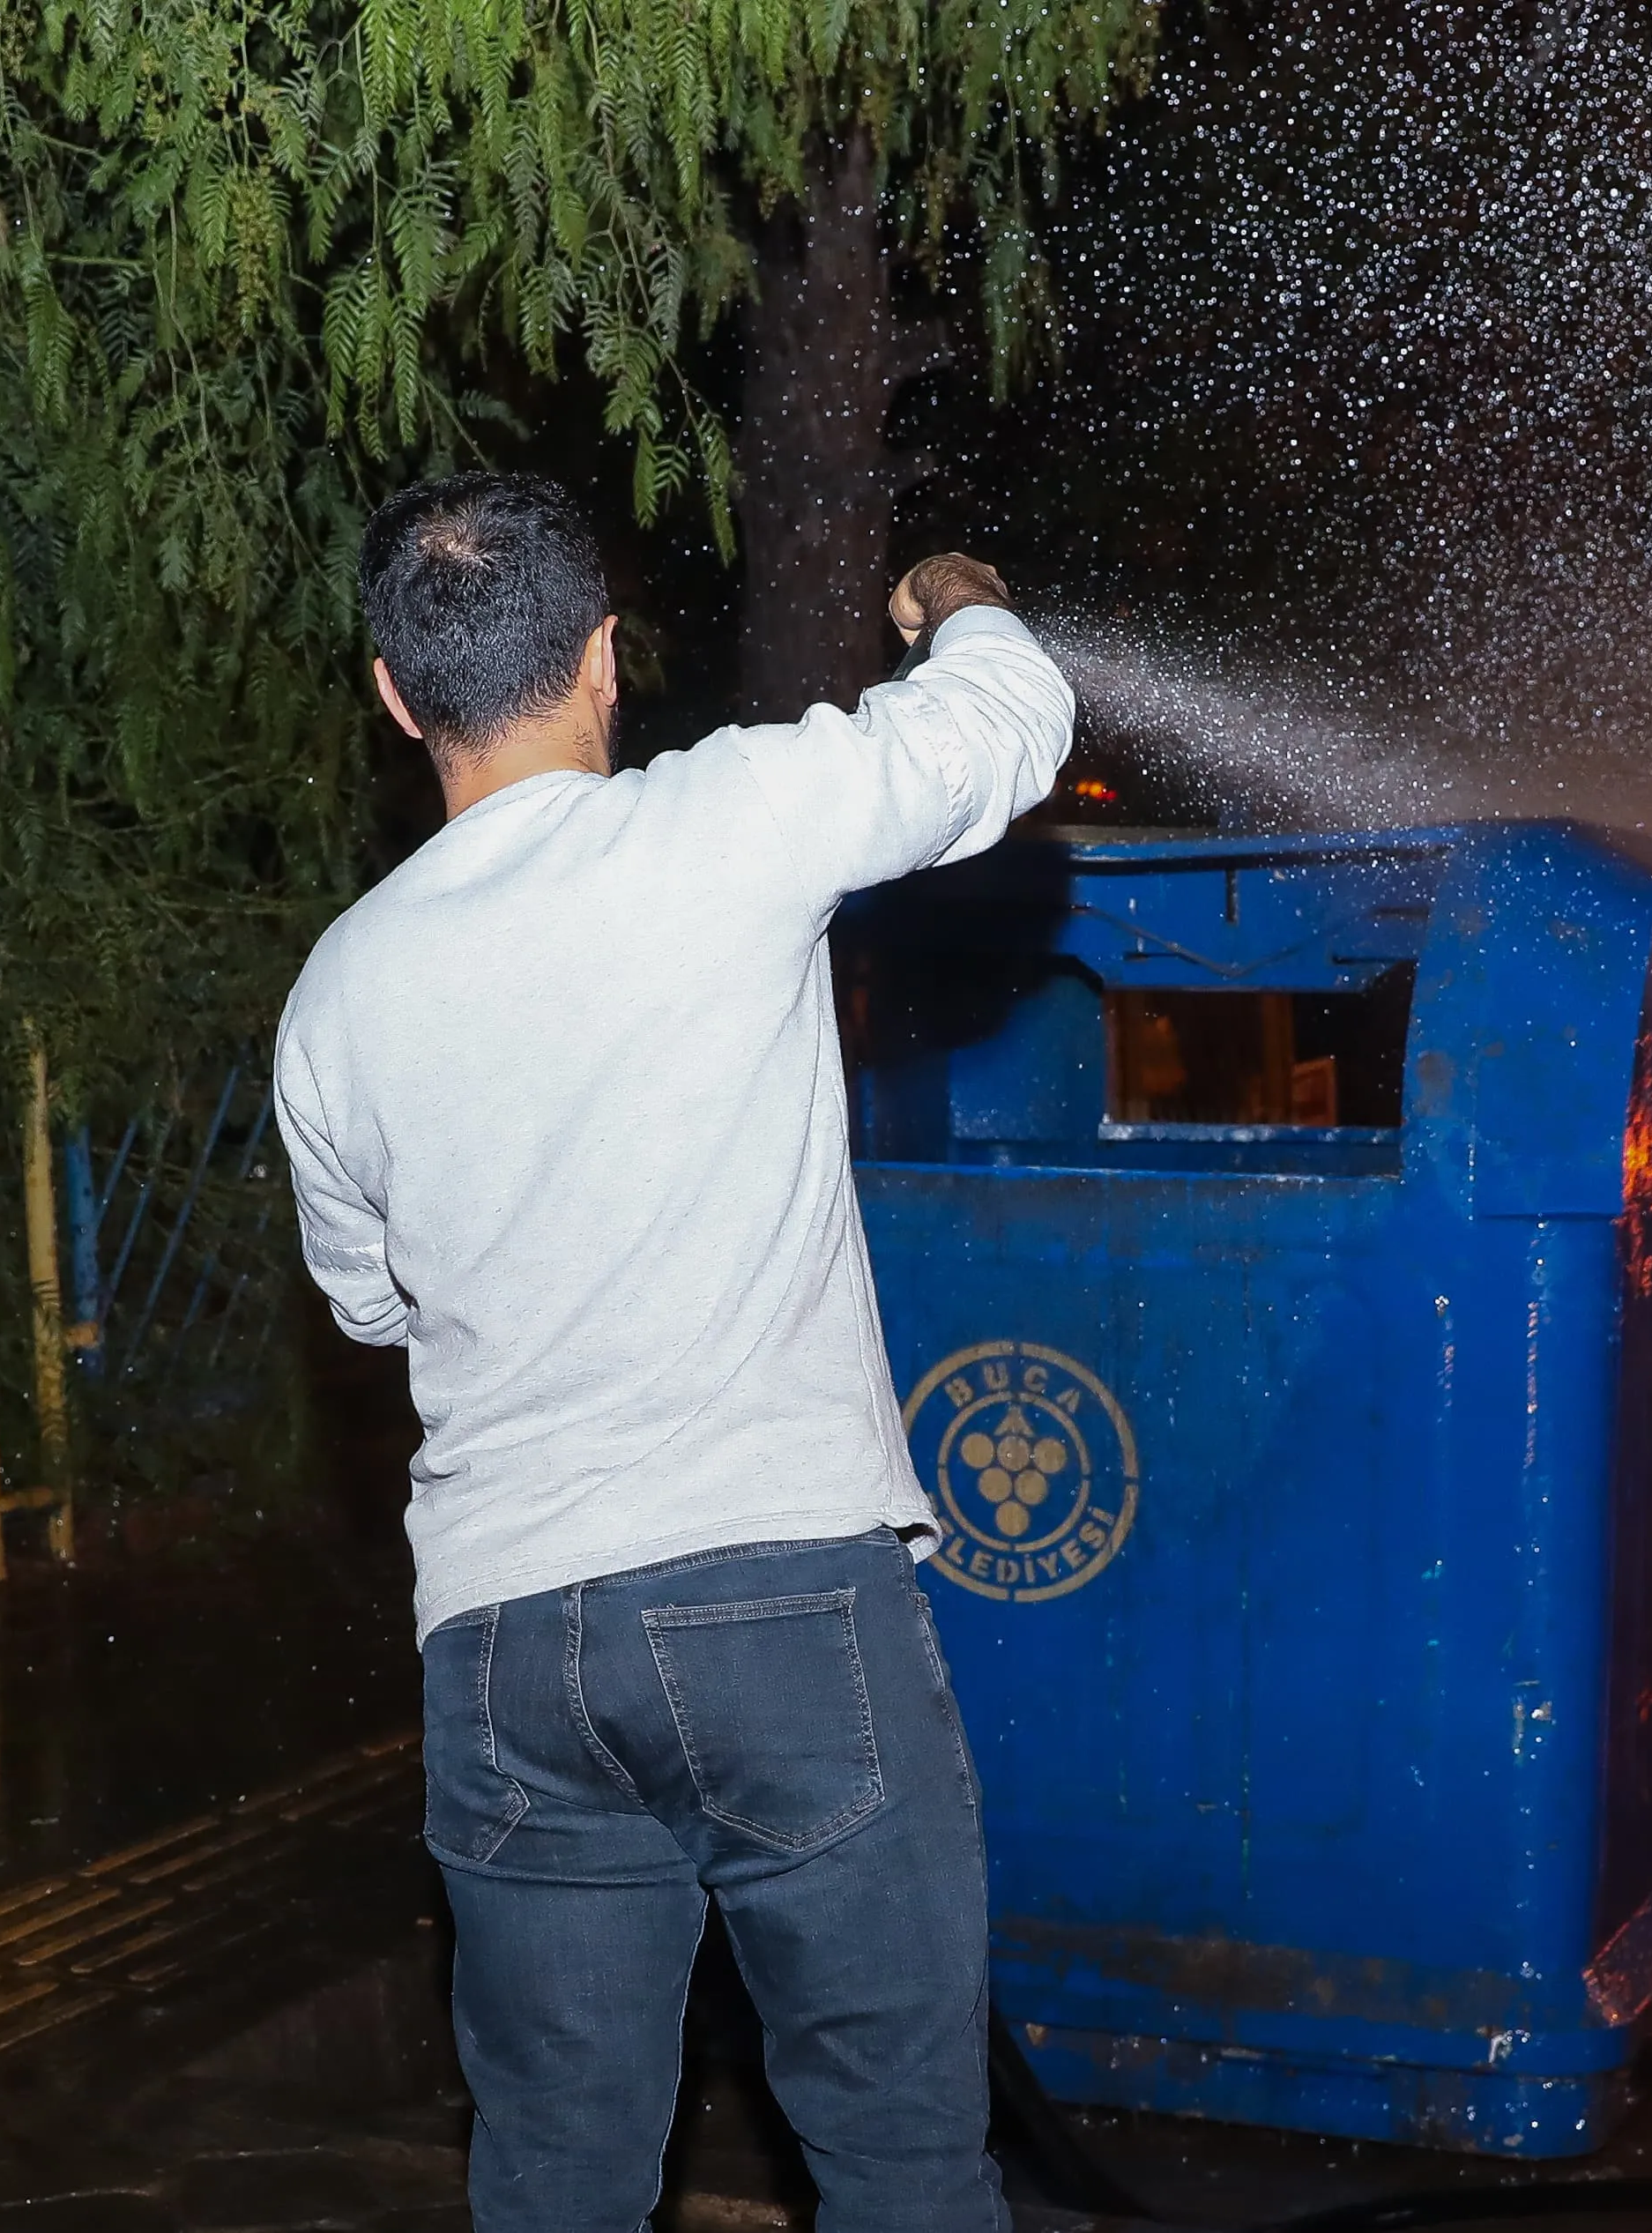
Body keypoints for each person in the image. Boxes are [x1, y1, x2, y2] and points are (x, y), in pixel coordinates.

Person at [275, 471, 1070, 2232]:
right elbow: (1008, 732)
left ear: (398, 698)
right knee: (897, 2169)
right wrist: (963, 599)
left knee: (556, 2173)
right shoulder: (725, 824)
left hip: (503, 1646)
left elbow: (368, 1304)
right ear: (606, 662)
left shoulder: (335, 992)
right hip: (775, 1602)